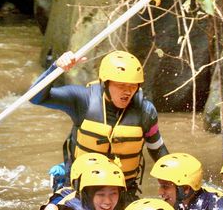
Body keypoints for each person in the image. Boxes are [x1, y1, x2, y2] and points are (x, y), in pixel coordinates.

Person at [30, 49, 169, 198]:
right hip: (81, 191)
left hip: (123, 192)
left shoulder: (146, 112)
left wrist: (173, 184)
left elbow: (158, 150)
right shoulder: (83, 100)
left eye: (132, 86)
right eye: (121, 85)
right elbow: (35, 97)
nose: (128, 92)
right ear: (105, 83)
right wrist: (56, 67)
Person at [150, 153, 220, 210]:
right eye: (160, 186)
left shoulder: (214, 209)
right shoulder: (179, 205)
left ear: (186, 189)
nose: (160, 192)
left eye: (165, 186)